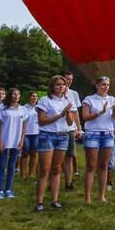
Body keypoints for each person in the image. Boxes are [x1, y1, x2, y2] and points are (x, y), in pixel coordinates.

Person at [35, 75, 77, 212]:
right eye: (58, 84)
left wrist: (68, 113)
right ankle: (39, 202)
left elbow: (70, 123)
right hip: (47, 136)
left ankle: (55, 199)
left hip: (63, 136)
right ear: (52, 86)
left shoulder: (68, 101)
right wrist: (60, 115)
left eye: (63, 84)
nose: (61, 87)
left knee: (57, 169)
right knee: (44, 169)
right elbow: (42, 121)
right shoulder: (45, 100)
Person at [82, 76, 115, 204]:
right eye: (103, 84)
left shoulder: (112, 99)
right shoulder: (89, 99)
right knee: (91, 166)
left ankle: (101, 196)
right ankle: (87, 198)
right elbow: (85, 117)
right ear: (97, 86)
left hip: (108, 134)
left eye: (107, 85)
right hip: (92, 134)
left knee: (103, 165)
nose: (106, 87)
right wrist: (100, 112)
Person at [0, 88, 27, 199]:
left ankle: (8, 189)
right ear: (10, 96)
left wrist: (22, 140)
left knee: (12, 166)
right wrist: (0, 141)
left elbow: (24, 126)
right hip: (4, 141)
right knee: (2, 166)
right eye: (14, 94)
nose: (16, 96)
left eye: (18, 94)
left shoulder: (23, 109)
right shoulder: (3, 109)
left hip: (16, 141)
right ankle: (0, 190)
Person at [63, 71, 82, 191]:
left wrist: (78, 128)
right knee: (56, 159)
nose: (69, 81)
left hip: (70, 129)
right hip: (57, 130)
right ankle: (52, 182)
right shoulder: (53, 94)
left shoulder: (74, 94)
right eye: (66, 79)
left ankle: (68, 183)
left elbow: (75, 112)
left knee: (69, 157)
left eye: (70, 79)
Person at [19, 92, 40, 180]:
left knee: (34, 154)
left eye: (36, 96)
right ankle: (23, 174)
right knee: (25, 153)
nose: (34, 98)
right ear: (29, 98)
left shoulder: (39, 108)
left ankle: (31, 174)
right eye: (32, 96)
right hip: (26, 133)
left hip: (36, 133)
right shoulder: (24, 108)